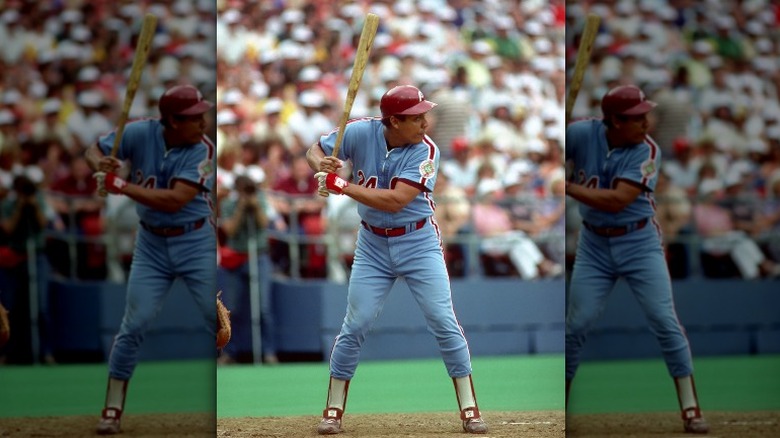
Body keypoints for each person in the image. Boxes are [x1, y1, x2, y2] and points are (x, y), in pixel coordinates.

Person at [305, 85, 488, 434]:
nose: (425, 122)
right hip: (372, 245)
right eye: (416, 117)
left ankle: (469, 408)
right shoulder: (360, 131)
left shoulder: (427, 151)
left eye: (424, 114)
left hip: (418, 241)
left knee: (442, 319)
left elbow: (394, 201)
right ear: (394, 120)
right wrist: (322, 164)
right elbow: (314, 149)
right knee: (355, 324)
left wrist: (338, 185)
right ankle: (332, 410)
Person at [564, 85, 709, 434]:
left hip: (639, 241)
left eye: (646, 114)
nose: (646, 122)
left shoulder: (648, 150)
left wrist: (565, 185)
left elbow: (617, 200)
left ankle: (690, 407)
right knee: (576, 325)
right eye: (636, 117)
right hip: (594, 244)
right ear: (613, 120)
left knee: (664, 319)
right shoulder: (580, 133)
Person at [84, 84, 217, 435]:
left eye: (203, 114)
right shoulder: (141, 131)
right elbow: (92, 151)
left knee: (215, 323)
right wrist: (103, 165)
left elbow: (175, 199)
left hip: (195, 239)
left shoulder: (203, 149)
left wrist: (119, 185)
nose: (203, 122)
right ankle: (112, 409)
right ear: (171, 121)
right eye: (193, 118)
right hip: (151, 244)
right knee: (133, 324)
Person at [216, 174, 278, 364]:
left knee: (263, 308)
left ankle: (268, 352)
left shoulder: (260, 200)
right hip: (237, 257)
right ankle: (230, 352)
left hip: (258, 255)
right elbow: (230, 230)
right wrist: (241, 208)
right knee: (231, 309)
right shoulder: (229, 204)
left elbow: (264, 223)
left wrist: (255, 205)